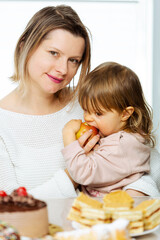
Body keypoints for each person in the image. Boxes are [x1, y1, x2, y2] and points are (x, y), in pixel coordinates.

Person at [0, 6, 159, 200]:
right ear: (24, 45)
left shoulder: (91, 104)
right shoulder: (3, 123)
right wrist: (75, 174)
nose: (62, 69)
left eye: (74, 60)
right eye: (53, 53)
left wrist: (131, 196)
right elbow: (8, 204)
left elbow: (149, 163)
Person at [62, 62, 158, 197]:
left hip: (111, 210)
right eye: (85, 110)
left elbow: (83, 174)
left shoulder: (122, 145)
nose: (88, 118)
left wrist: (68, 137)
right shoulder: (111, 134)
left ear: (125, 114)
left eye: (98, 113)